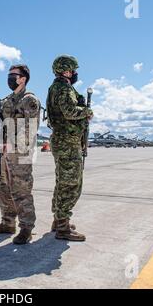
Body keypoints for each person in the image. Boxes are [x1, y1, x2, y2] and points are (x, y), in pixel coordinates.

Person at [0, 64, 41, 245]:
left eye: (13, 75)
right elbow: (2, 124)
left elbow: (30, 128)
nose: (10, 78)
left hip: (20, 152)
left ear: (23, 78)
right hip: (4, 152)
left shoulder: (29, 100)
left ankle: (26, 228)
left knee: (21, 190)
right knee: (4, 188)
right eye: (9, 75)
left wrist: (11, 144)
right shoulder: (6, 100)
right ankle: (7, 223)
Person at [46, 55, 93, 241]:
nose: (74, 73)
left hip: (63, 140)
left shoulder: (56, 87)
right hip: (68, 142)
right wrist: (87, 111)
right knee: (71, 183)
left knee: (62, 182)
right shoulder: (63, 88)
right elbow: (70, 112)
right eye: (72, 70)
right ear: (65, 70)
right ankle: (63, 226)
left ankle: (58, 221)